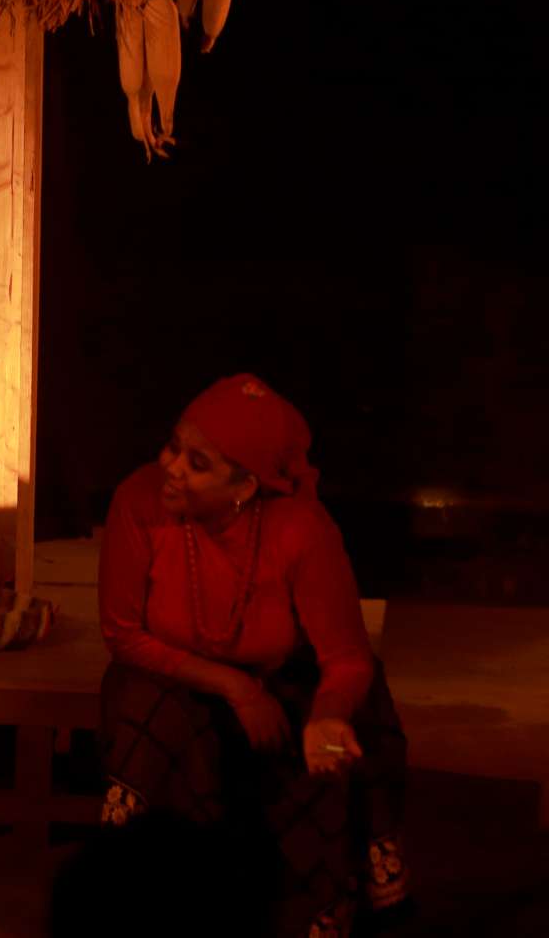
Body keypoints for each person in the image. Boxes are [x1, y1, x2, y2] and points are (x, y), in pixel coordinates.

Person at [97, 374, 409, 938]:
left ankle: (316, 910)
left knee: (335, 741)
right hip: (176, 675)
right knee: (149, 712)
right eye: (173, 447)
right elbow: (122, 634)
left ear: (245, 486)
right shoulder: (139, 500)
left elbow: (347, 656)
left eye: (197, 464)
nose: (171, 468)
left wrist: (328, 716)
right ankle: (142, 905)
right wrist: (236, 689)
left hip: (280, 674)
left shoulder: (301, 527)